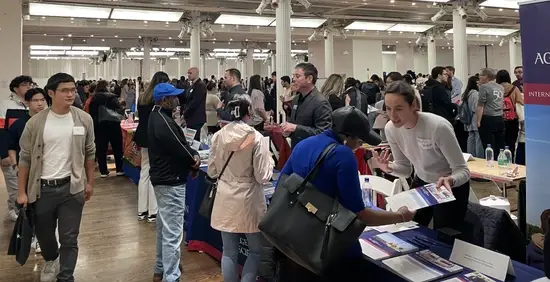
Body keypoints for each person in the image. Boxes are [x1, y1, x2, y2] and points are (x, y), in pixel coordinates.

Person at [275, 106, 414, 281]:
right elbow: (361, 215)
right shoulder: (343, 155)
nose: (360, 145)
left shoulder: (304, 144)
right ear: (347, 137)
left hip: (294, 239)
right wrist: (401, 216)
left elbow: (282, 184)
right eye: (359, 140)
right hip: (328, 247)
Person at [17, 72, 96, 282]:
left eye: (72, 90)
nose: (70, 94)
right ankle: (52, 260)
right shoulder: (35, 123)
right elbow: (24, 158)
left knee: (69, 238)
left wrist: (90, 182)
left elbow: (90, 152)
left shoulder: (84, 119)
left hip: (73, 188)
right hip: (42, 189)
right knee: (45, 236)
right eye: (64, 90)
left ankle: (66, 277)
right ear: (51, 93)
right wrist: (22, 192)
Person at [373, 81, 470, 232]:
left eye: (399, 109)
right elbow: (405, 170)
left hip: (449, 186)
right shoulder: (391, 129)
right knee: (411, 227)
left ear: (413, 105)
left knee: (446, 236)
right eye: (388, 109)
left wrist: (451, 179)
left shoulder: (438, 127)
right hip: (422, 181)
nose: (392, 116)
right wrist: (389, 168)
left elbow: (463, 171)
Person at [207, 95, 274, 282]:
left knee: (228, 252)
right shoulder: (257, 138)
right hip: (249, 198)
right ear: (249, 112)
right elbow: (262, 176)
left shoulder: (218, 136)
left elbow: (212, 171)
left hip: (225, 196)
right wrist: (270, 163)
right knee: (255, 250)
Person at [148, 83, 200, 282]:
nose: (178, 101)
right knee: (173, 233)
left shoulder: (157, 116)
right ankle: (172, 276)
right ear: (164, 100)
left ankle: (160, 268)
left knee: (164, 228)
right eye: (174, 97)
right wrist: (194, 161)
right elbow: (180, 148)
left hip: (163, 178)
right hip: (171, 180)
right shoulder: (163, 121)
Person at [133, 71, 169, 222]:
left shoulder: (143, 96)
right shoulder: (159, 98)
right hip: (155, 137)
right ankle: (153, 211)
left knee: (144, 173)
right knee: (155, 172)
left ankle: (142, 210)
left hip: (142, 136)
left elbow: (139, 116)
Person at [1, 75, 33, 221]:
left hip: (28, 154)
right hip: (11, 154)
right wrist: (3, 154)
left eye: (30, 84)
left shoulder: (31, 104)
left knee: (25, 185)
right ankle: (16, 212)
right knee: (14, 186)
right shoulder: (5, 105)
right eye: (25, 84)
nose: (29, 86)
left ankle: (15, 208)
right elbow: (1, 131)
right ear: (15, 88)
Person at [281, 63, 332, 148]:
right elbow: (294, 124)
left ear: (309, 79)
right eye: (293, 76)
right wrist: (288, 131)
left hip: (313, 152)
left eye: (297, 76)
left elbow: (323, 133)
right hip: (297, 149)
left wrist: (296, 128)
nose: (293, 79)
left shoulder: (321, 102)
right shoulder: (296, 99)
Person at [88, 80, 125, 178]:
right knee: (117, 147)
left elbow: (92, 114)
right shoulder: (112, 97)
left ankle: (103, 171)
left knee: (101, 149)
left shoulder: (94, 99)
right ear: (107, 87)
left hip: (100, 126)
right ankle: (119, 169)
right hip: (114, 125)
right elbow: (119, 110)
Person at [476, 68, 505, 154]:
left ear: (486, 77)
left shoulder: (484, 87)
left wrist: (478, 121)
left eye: (480, 76)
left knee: (488, 145)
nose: (479, 78)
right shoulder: (500, 87)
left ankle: (490, 163)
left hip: (488, 118)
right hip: (499, 117)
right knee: (500, 144)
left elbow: (480, 105)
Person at [497, 69, 524, 159]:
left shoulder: (496, 89)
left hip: (499, 118)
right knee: (511, 142)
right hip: (513, 119)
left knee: (501, 142)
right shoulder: (514, 88)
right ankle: (510, 159)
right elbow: (520, 103)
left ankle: (501, 159)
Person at [462, 76, 484, 158]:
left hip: (469, 118)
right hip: (475, 117)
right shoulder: (475, 93)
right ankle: (479, 157)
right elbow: (476, 107)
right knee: (478, 139)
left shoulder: (467, 93)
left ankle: (470, 155)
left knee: (471, 138)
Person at [184, 67, 207, 141]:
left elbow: (195, 102)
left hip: (196, 118)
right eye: (188, 73)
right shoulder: (192, 85)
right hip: (191, 117)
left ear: (196, 73)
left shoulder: (200, 85)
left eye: (190, 73)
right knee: (191, 140)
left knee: (194, 141)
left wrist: (185, 113)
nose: (188, 75)